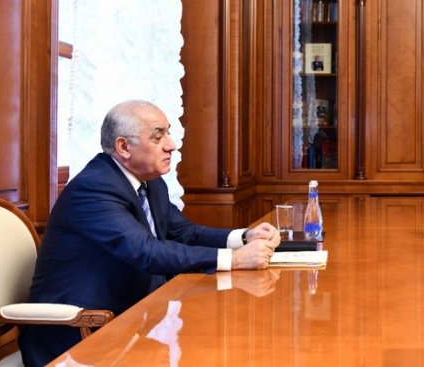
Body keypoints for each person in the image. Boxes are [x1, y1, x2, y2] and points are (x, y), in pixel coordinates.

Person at [18, 100, 282, 366]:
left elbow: (184, 232)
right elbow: (146, 252)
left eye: (168, 133)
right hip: (79, 334)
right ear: (123, 147)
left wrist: (244, 237)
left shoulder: (151, 183)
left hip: (132, 321)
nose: (171, 145)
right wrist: (234, 259)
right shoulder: (93, 188)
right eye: (158, 137)